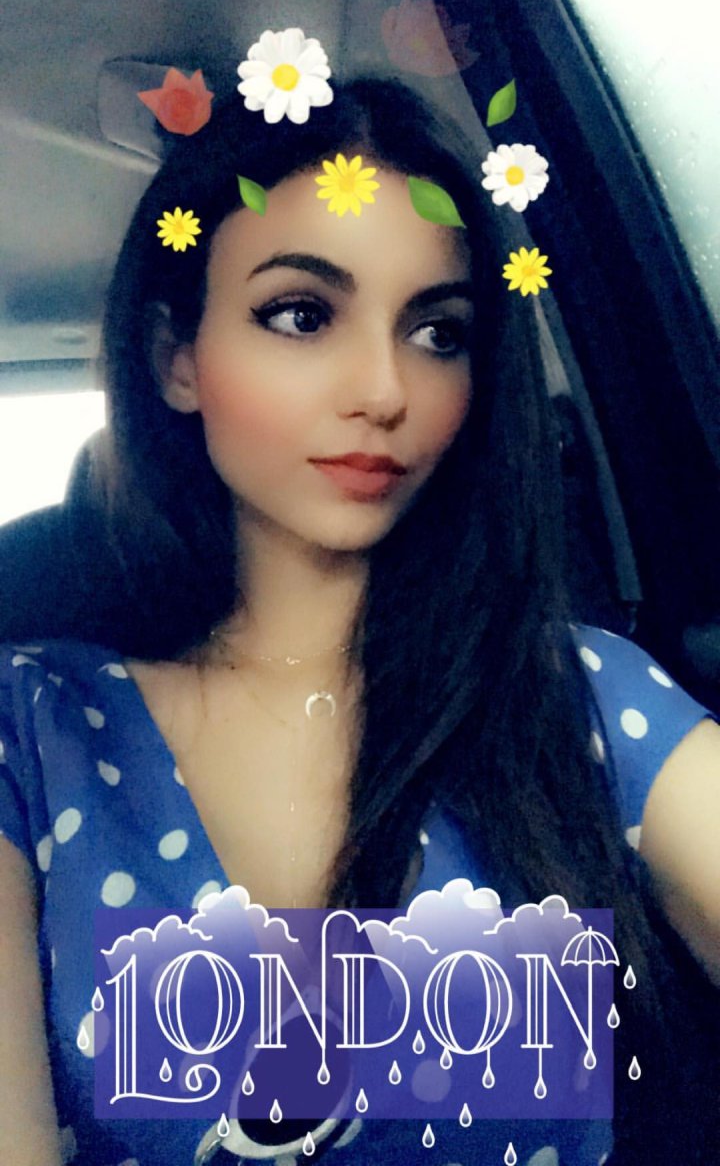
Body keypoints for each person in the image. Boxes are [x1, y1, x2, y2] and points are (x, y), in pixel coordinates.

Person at [0, 63, 718, 1166]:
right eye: (301, 314)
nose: (385, 390)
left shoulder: (575, 697)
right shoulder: (35, 735)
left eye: (437, 332)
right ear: (176, 358)